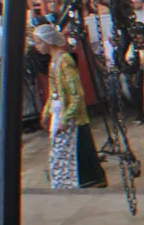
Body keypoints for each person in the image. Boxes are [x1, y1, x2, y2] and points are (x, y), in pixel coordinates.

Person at [34, 24, 107, 189]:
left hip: (70, 113)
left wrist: (67, 115)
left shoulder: (64, 61)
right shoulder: (54, 61)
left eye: (39, 42)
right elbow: (53, 90)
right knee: (67, 148)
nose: (37, 47)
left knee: (78, 147)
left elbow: (76, 92)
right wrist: (47, 112)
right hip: (60, 110)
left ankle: (90, 180)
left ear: (48, 41)